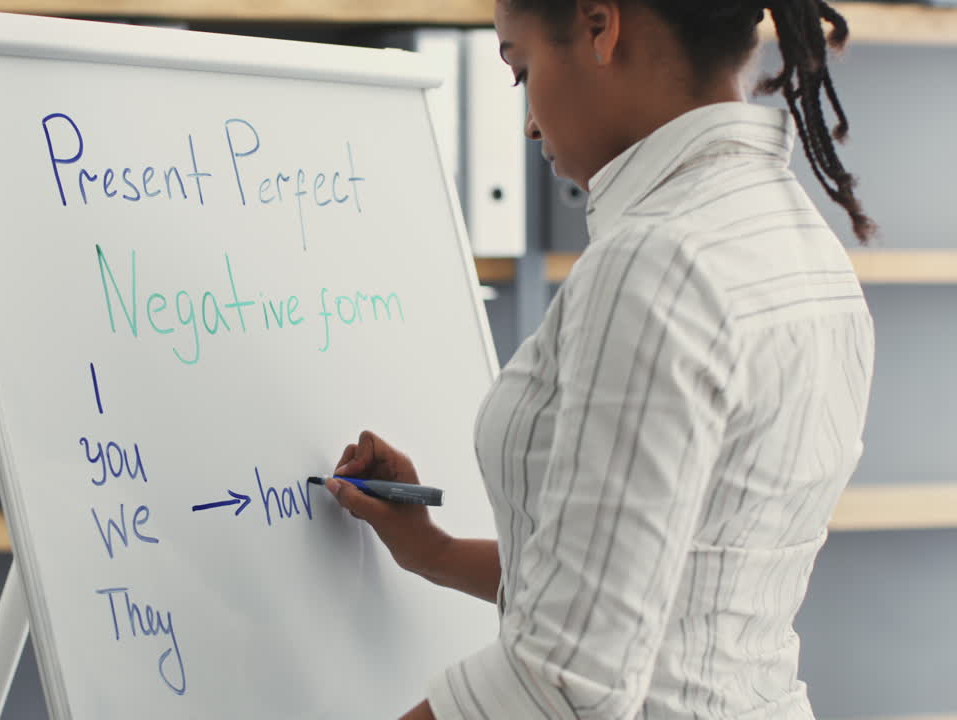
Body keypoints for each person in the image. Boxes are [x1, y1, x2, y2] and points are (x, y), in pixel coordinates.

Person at [324, 1, 877, 718]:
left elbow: (561, 684)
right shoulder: (800, 241)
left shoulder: (657, 262)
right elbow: (659, 578)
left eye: (521, 69)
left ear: (598, 27)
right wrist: (430, 550)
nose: (527, 122)